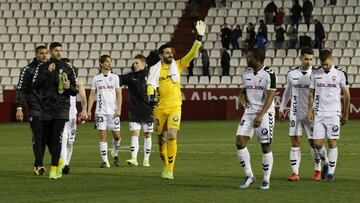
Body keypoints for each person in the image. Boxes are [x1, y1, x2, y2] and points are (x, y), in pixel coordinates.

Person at [147, 20, 206, 179]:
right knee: (161, 140)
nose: (170, 54)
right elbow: (151, 85)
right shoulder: (155, 70)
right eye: (167, 53)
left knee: (172, 136)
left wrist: (198, 38)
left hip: (175, 106)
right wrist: (151, 97)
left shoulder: (178, 65)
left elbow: (192, 54)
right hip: (159, 108)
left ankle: (170, 170)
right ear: (161, 55)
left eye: (171, 52)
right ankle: (165, 164)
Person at [279, 48, 328, 181]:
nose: (309, 62)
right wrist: (281, 108)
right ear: (300, 58)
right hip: (295, 113)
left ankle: (319, 168)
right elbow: (287, 92)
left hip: (311, 114)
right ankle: (295, 173)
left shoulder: (317, 74)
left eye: (311, 59)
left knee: (314, 143)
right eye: (306, 59)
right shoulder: (292, 74)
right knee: (295, 142)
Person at [32, 42, 78, 179]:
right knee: (48, 139)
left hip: (62, 109)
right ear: (51, 52)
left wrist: (69, 87)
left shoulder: (68, 68)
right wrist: (47, 73)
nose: (59, 53)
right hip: (46, 109)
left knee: (57, 138)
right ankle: (59, 164)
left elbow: (74, 91)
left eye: (60, 50)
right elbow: (35, 85)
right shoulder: (43, 67)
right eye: (56, 50)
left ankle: (54, 170)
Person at [236, 48, 277, 190]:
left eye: (249, 57)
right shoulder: (246, 72)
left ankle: (266, 179)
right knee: (240, 142)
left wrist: (261, 115)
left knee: (265, 145)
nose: (247, 59)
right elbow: (245, 89)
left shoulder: (269, 74)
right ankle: (249, 176)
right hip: (249, 112)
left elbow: (271, 96)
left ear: (257, 58)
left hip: (265, 113)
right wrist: (242, 95)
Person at [307, 49, 350, 182]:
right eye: (323, 64)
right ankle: (326, 162)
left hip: (334, 113)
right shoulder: (315, 72)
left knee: (332, 142)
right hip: (319, 113)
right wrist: (310, 109)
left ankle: (330, 173)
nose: (325, 66)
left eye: (327, 64)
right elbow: (311, 93)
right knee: (317, 144)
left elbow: (347, 95)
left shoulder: (340, 73)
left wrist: (345, 114)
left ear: (331, 60)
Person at [15, 45, 49, 175]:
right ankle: (39, 165)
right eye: (41, 53)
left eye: (46, 53)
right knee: (38, 135)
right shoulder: (27, 70)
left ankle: (37, 164)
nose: (44, 56)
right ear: (36, 54)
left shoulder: (51, 69)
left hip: (48, 108)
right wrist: (19, 108)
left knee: (45, 137)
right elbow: (20, 89)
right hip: (34, 107)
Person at [118, 54, 154, 167]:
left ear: (144, 64)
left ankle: (146, 160)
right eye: (134, 63)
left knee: (147, 134)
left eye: (137, 62)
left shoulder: (151, 75)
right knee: (134, 134)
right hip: (134, 110)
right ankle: (134, 159)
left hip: (148, 110)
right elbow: (118, 79)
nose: (134, 64)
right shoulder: (130, 76)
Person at [87, 55, 122, 168]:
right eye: (106, 61)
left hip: (113, 112)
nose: (108, 63)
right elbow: (92, 94)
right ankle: (105, 161)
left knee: (117, 136)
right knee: (102, 135)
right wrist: (89, 110)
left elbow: (119, 94)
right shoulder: (96, 78)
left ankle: (115, 153)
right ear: (101, 63)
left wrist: (119, 109)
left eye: (110, 61)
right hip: (100, 111)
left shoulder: (115, 77)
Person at [60, 58, 88, 174]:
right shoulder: (58, 80)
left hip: (72, 115)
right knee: (63, 140)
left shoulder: (77, 81)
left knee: (70, 142)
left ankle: (67, 164)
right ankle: (64, 165)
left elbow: (83, 97)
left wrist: (84, 110)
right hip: (61, 114)